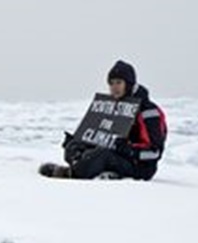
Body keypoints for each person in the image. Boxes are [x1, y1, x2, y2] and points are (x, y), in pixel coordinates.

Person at [39, 60, 168, 180]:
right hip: (119, 155)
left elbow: (154, 153)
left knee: (103, 154)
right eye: (111, 83)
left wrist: (129, 150)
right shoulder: (112, 106)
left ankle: (71, 174)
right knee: (75, 145)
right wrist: (80, 139)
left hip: (140, 166)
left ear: (128, 84)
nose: (114, 87)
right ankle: (85, 167)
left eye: (118, 82)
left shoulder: (149, 112)